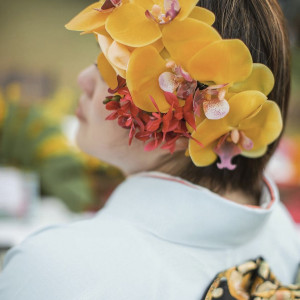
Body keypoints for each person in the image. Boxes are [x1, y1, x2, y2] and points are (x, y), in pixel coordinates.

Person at [0, 0, 300, 299]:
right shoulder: (285, 237)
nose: (84, 79)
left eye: (108, 63)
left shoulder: (55, 270)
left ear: (185, 119)